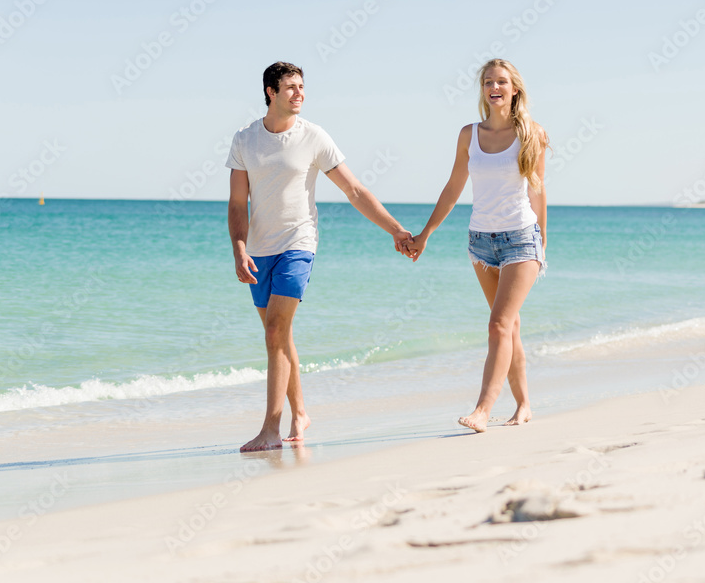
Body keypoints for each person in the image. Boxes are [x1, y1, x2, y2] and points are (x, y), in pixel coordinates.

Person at [227, 61, 414, 452]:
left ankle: (269, 430)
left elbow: (356, 190)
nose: (300, 94)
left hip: (299, 243)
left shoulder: (314, 137)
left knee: (276, 332)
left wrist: (396, 229)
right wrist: (239, 248)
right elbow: (236, 204)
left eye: (302, 86)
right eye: (291, 87)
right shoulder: (245, 140)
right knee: (278, 335)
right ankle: (302, 412)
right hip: (260, 252)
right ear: (270, 93)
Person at [407, 58, 548, 433]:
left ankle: (483, 408)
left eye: (501, 81)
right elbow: (454, 188)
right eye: (488, 82)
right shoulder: (469, 135)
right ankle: (524, 405)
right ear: (483, 90)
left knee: (498, 324)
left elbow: (538, 190)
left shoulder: (532, 133)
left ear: (514, 89)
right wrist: (425, 233)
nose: (494, 87)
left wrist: (542, 244)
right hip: (481, 242)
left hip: (521, 238)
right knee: (509, 327)